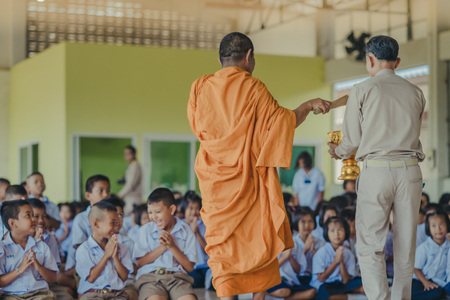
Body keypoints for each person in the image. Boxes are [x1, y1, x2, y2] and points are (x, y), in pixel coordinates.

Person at [188, 32, 331, 299]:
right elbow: (282, 122)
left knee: (222, 249)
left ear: (219, 59)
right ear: (249, 57)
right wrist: (309, 104)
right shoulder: (254, 88)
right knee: (258, 241)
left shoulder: (200, 86)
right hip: (249, 184)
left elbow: (199, 129)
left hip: (215, 187)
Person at [327, 35, 426, 300]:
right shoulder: (416, 92)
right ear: (398, 62)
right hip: (410, 171)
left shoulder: (362, 89)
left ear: (370, 59)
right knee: (406, 247)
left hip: (377, 171)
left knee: (371, 246)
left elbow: (352, 142)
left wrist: (338, 151)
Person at [133, 188, 197, 300]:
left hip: (178, 279)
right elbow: (139, 263)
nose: (153, 217)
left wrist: (172, 246)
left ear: (172, 209)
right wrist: (163, 247)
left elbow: (189, 267)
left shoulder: (186, 232)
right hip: (150, 279)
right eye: (150, 212)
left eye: (158, 212)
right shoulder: (144, 231)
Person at [0, 200, 58, 299]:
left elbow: (53, 278)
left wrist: (39, 267)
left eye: (33, 215)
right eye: (28, 215)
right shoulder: (3, 248)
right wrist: (19, 269)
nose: (34, 219)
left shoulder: (41, 246)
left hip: (39, 294)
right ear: (13, 223)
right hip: (11, 296)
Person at [76, 202, 134, 300]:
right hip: (93, 294)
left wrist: (114, 256)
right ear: (96, 223)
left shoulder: (121, 247)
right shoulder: (84, 249)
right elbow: (91, 278)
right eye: (112, 223)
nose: (116, 227)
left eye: (117, 223)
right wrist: (106, 255)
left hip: (117, 295)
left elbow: (124, 277)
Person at [27, 199, 74, 300]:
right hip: (25, 285)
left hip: (46, 283)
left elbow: (52, 275)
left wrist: (42, 246)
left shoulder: (50, 238)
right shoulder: (20, 237)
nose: (41, 220)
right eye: (36, 216)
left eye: (44, 216)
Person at [65, 175, 110, 276]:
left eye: (108, 190)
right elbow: (81, 252)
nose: (106, 195)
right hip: (81, 266)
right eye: (100, 191)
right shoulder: (81, 219)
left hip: (105, 262)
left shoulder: (111, 218)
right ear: (88, 196)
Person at [310, 217, 364, 300]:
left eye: (340, 230)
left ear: (346, 231)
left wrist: (341, 261)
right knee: (327, 294)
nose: (336, 234)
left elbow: (346, 280)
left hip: (341, 283)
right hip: (326, 284)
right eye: (332, 231)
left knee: (364, 287)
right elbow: (321, 278)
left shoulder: (348, 253)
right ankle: (354, 297)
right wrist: (335, 261)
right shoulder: (322, 252)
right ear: (326, 233)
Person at [101, 197, 138, 300]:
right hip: (103, 284)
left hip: (126, 284)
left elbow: (136, 269)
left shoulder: (128, 242)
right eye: (113, 215)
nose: (117, 219)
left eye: (120, 215)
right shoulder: (99, 241)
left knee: (130, 294)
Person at [412, 211, 450, 300]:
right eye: (433, 226)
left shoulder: (448, 246)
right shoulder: (424, 247)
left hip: (440, 281)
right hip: (421, 279)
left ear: (447, 225)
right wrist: (425, 282)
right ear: (428, 228)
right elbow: (416, 268)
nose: (438, 229)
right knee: (433, 293)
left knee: (438, 292)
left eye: (441, 225)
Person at [180, 194, 209, 288]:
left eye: (197, 208)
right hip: (191, 267)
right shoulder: (180, 226)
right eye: (190, 208)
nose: (194, 211)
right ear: (184, 210)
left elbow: (207, 249)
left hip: (205, 266)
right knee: (195, 281)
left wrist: (197, 233)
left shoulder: (204, 225)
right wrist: (191, 233)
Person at [292, 207, 325, 283]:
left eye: (310, 221)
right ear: (296, 223)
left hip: (314, 277)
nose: (307, 225)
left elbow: (322, 265)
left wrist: (314, 252)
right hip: (297, 278)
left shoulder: (320, 243)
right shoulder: (293, 242)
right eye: (303, 222)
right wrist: (306, 249)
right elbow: (293, 268)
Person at [118, 146, 143, 215]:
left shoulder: (135, 166)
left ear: (134, 154)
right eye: (125, 154)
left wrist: (119, 195)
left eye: (128, 154)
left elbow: (131, 184)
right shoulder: (131, 165)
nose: (126, 156)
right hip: (129, 197)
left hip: (134, 199)